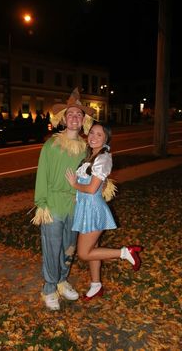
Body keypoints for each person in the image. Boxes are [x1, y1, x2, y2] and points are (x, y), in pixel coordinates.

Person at [31, 88, 96, 311]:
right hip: (53, 204)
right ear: (64, 118)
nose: (75, 118)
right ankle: (49, 287)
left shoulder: (86, 149)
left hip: (75, 204)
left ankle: (61, 280)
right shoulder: (51, 145)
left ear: (83, 120)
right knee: (52, 246)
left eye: (79, 115)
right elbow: (42, 175)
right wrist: (42, 204)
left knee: (69, 247)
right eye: (71, 114)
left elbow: (92, 176)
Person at [65, 122, 143, 301]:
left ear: (106, 139)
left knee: (84, 253)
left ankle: (125, 253)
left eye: (99, 135)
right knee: (94, 248)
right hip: (85, 208)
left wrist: (74, 184)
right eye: (92, 133)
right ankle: (96, 285)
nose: (93, 137)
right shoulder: (91, 155)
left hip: (93, 209)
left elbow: (92, 189)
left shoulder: (103, 158)